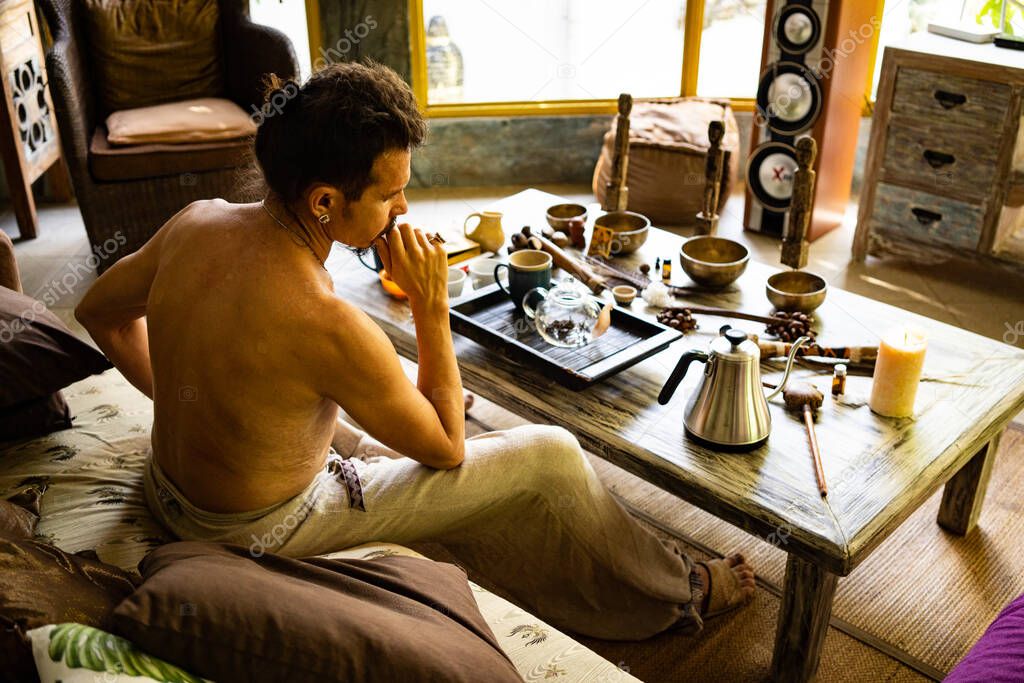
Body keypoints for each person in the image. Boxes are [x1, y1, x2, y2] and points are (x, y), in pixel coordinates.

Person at [75, 61, 754, 640]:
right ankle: (684, 591)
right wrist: (433, 310)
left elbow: (97, 312)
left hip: (170, 489)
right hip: (259, 527)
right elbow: (446, 446)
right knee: (550, 454)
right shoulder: (328, 320)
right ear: (323, 202)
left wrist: (186, 403)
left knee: (368, 437)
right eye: (391, 193)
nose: (404, 208)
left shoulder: (193, 221)